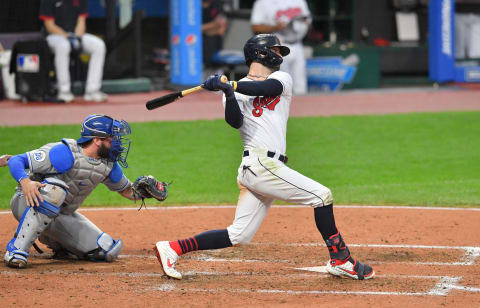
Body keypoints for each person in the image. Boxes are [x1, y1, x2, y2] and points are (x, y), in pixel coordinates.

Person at [153, 34, 374, 281]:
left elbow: (266, 89)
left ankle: (173, 247)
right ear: (260, 53)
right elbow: (234, 121)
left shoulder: (281, 78)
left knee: (238, 235)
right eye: (275, 50)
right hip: (258, 164)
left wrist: (231, 85)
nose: (279, 55)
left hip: (265, 167)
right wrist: (227, 92)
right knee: (322, 196)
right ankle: (341, 260)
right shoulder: (233, 91)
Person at [3, 114, 167, 268]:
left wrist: (146, 190)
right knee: (55, 191)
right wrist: (25, 182)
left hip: (61, 215)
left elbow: (127, 191)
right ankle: (16, 250)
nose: (118, 143)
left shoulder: (108, 165)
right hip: (28, 203)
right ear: (96, 140)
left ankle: (57, 242)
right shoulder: (64, 153)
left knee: (107, 250)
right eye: (113, 138)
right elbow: (16, 160)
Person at [39, 0, 108, 103]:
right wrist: (68, 37)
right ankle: (64, 91)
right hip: (53, 37)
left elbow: (81, 21)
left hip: (75, 35)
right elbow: (50, 26)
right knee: (63, 46)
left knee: (99, 45)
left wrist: (76, 38)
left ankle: (92, 91)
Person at [250, 0, 311, 95]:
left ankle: (302, 109)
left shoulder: (300, 1)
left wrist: (300, 22)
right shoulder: (262, 3)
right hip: (277, 46)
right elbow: (256, 27)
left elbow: (308, 21)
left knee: (301, 87)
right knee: (281, 86)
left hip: (297, 44)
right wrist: (276, 27)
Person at [202, 0, 227, 70]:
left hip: (215, 52)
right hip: (196, 56)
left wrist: (202, 29)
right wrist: (214, 25)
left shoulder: (218, 5)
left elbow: (221, 30)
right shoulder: (192, 6)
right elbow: (192, 30)